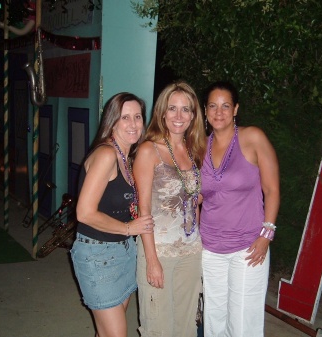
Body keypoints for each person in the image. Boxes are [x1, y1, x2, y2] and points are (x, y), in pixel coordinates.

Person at [70, 92, 155, 337]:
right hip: (97, 255)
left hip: (124, 253)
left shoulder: (126, 158)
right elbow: (84, 213)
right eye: (125, 117)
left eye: (137, 117)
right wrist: (129, 228)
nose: (133, 124)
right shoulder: (106, 154)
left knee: (105, 333)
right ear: (112, 121)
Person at [200, 81, 280, 337]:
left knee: (244, 321)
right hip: (209, 247)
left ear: (235, 109)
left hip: (247, 247)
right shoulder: (200, 146)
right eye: (213, 105)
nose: (219, 112)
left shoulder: (252, 137)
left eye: (225, 105)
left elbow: (272, 190)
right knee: (214, 317)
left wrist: (266, 235)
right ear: (205, 111)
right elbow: (198, 196)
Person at [133, 81, 207, 337]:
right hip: (159, 250)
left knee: (186, 326)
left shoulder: (194, 150)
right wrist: (151, 260)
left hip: (190, 252)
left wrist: (201, 246)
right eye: (172, 108)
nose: (179, 116)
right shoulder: (148, 150)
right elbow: (143, 210)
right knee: (158, 327)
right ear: (162, 112)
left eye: (186, 109)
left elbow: (195, 202)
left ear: (193, 115)